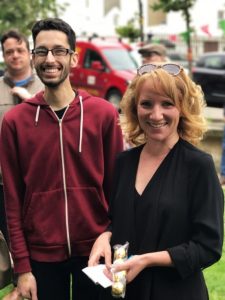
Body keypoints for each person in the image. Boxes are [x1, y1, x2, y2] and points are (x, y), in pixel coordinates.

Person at [0, 18, 124, 300]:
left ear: (74, 58)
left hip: (96, 251)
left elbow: (118, 190)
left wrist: (114, 241)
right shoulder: (14, 123)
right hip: (40, 257)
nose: (50, 59)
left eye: (59, 51)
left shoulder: (103, 115)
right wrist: (22, 267)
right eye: (41, 51)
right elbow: (13, 201)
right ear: (33, 58)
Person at [88, 63, 224, 299]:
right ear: (134, 107)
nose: (156, 114)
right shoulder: (124, 162)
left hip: (175, 292)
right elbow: (119, 219)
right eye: (147, 104)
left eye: (167, 104)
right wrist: (105, 236)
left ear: (182, 108)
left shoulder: (198, 166)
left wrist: (148, 260)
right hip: (125, 292)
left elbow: (208, 247)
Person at [0, 30, 43, 242]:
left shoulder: (46, 87)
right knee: (9, 240)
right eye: (9, 52)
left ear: (29, 53)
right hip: (3, 184)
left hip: (39, 182)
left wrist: (31, 101)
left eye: (20, 50)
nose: (15, 55)